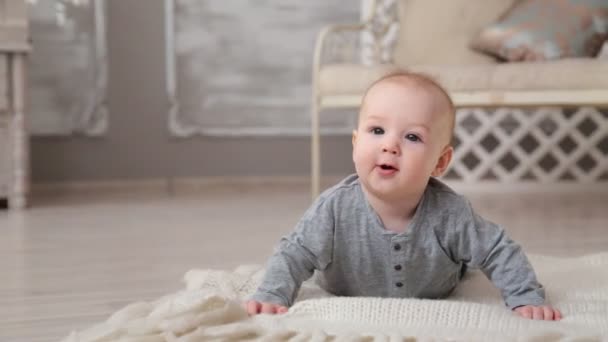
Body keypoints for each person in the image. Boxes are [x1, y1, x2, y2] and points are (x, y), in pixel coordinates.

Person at [245, 70, 562, 321]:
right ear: (356, 143)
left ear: (439, 162)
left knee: (474, 251)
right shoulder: (334, 209)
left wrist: (525, 297)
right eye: (377, 131)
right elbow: (294, 253)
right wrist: (272, 294)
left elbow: (498, 249)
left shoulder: (450, 213)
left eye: (412, 136)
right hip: (343, 287)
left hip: (436, 287)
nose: (390, 145)